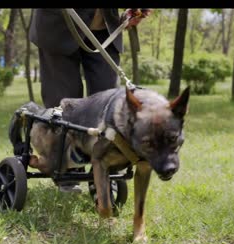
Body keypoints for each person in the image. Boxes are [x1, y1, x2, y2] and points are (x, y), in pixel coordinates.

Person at [29, 8, 151, 193]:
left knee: (108, 101)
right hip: (58, 24)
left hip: (104, 29)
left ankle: (103, 170)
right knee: (64, 101)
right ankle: (68, 172)